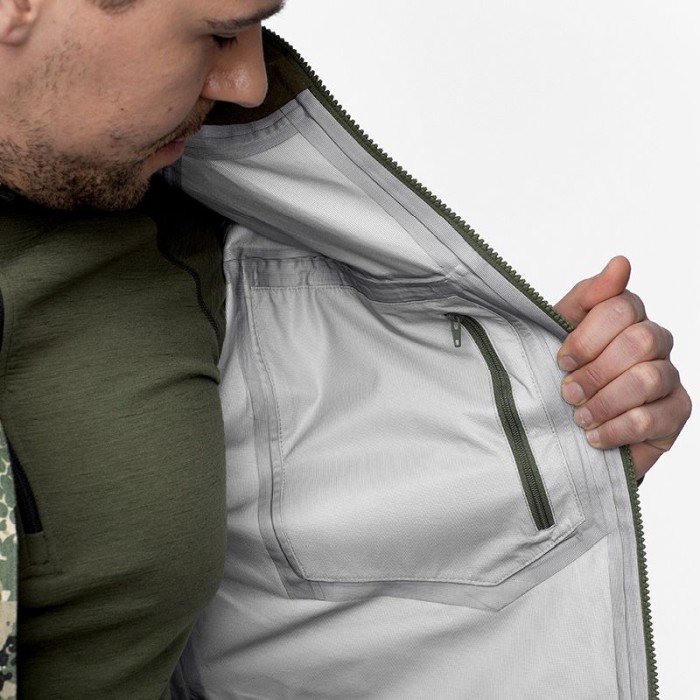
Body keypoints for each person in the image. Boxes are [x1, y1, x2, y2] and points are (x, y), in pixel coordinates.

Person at [0, 1, 691, 698]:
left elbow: (273, 624)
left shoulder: (177, 237)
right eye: (219, 32)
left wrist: (538, 434)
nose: (250, 84)